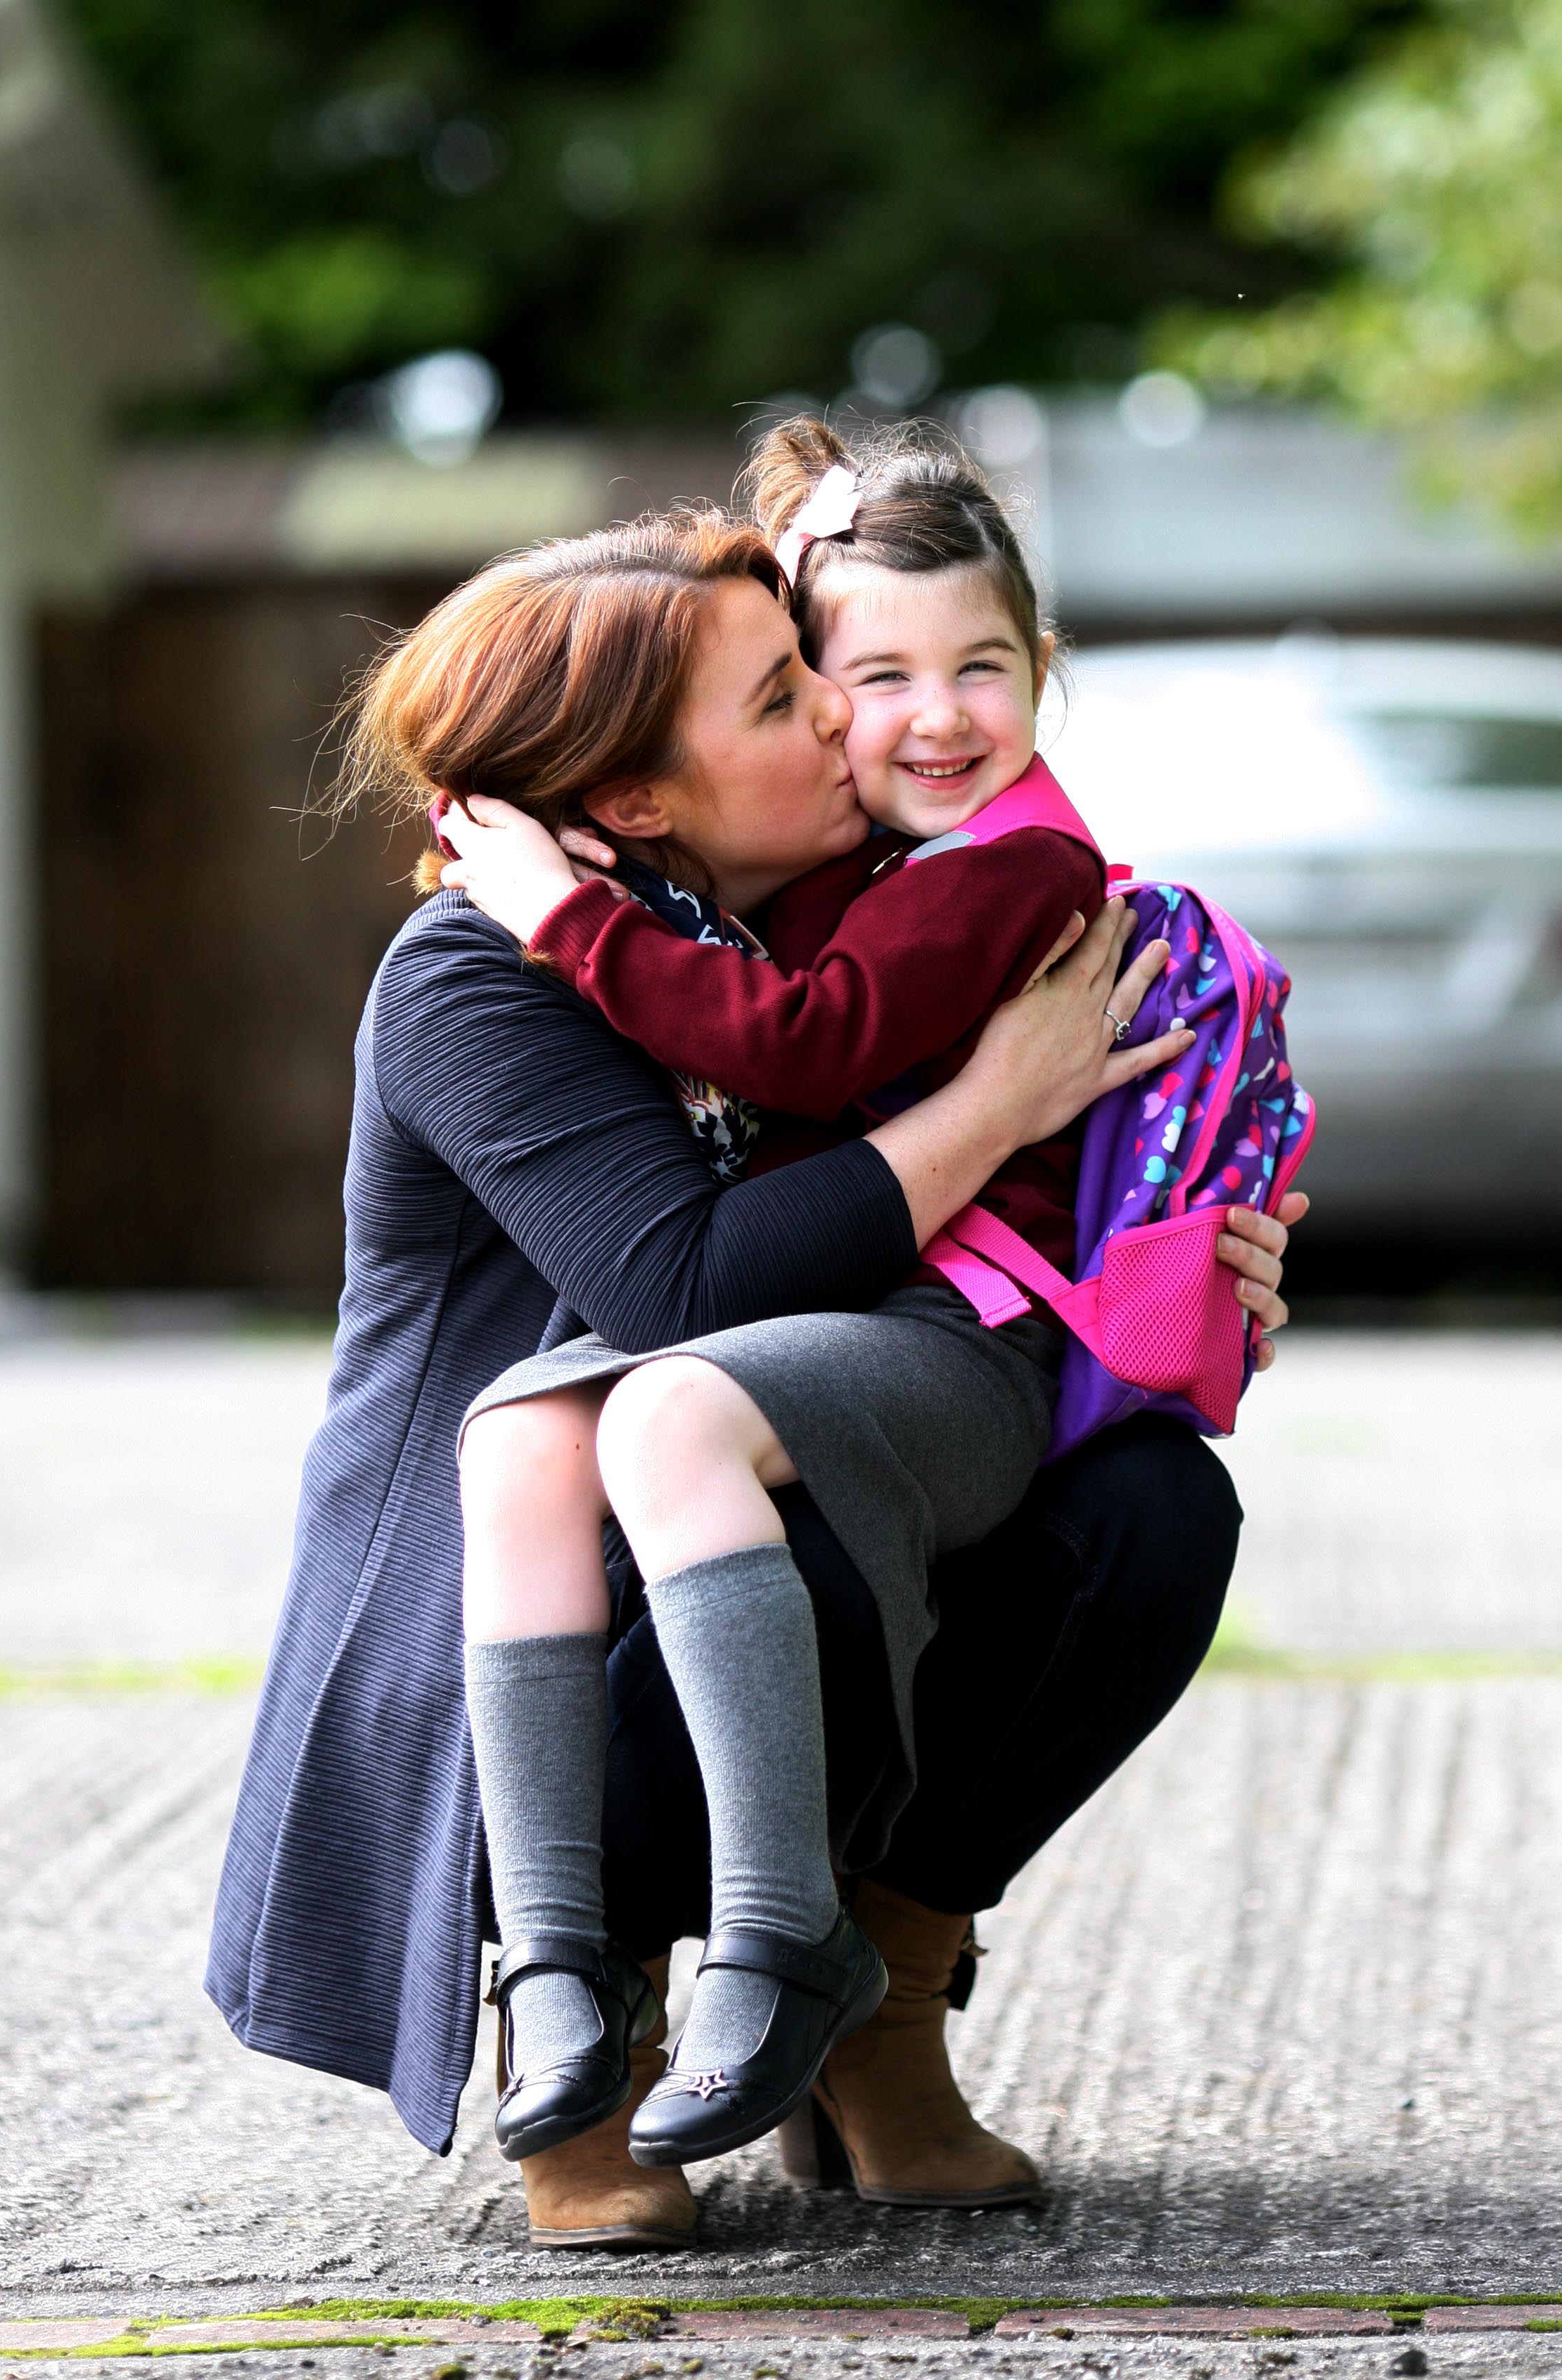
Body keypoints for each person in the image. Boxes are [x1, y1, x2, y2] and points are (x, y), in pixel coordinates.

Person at [207, 503, 1304, 2255]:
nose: (844, 716)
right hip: (528, 1587)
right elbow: (685, 1286)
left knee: (1144, 1510)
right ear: (637, 796)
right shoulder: (479, 968)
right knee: (749, 1510)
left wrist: (1193, 1252)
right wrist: (997, 1107)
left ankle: (877, 2010)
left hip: (740, 1447)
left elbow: (1037, 1202)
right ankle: (590, 2026)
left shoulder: (819, 922)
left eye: (820, 671)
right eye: (790, 695)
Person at [427, 418, 1208, 2175]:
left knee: (675, 1422)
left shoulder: (1002, 868)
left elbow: (804, 1046)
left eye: (979, 669)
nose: (927, 718)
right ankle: (563, 1967)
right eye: (852, 682)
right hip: (787, 1354)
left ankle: (800, 1955)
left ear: (1041, 668)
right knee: (522, 1442)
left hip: (943, 1335)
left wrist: (565, 914)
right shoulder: (827, 872)